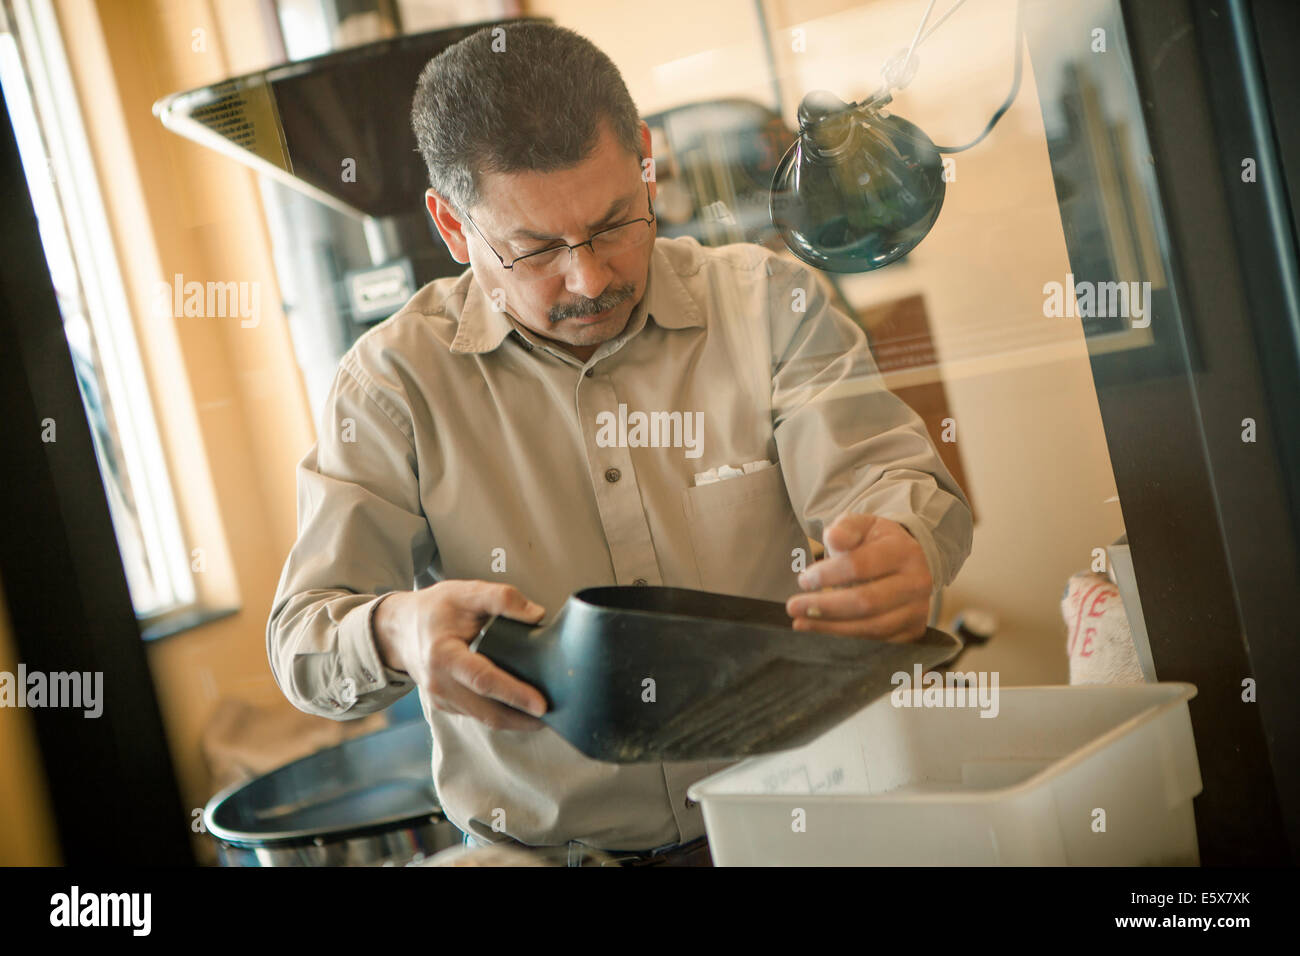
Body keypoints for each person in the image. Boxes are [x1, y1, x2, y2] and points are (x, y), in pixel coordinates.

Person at [267, 20, 973, 866]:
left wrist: (901, 543)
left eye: (612, 225)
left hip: (802, 831)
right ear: (453, 230)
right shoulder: (392, 384)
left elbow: (887, 478)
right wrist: (396, 632)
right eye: (535, 251)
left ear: (645, 160)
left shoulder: (767, 303)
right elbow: (305, 637)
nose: (590, 278)